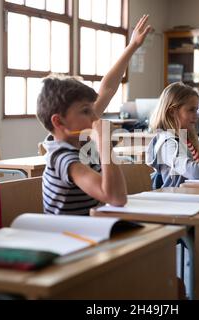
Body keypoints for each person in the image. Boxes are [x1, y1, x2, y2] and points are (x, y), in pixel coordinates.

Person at [37, 15, 152, 215]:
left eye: (91, 110)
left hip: (91, 229)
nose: (95, 116)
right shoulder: (62, 156)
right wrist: (105, 146)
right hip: (70, 240)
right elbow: (116, 198)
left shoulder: (80, 131)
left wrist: (132, 46)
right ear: (59, 121)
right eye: (86, 111)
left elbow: (107, 89)